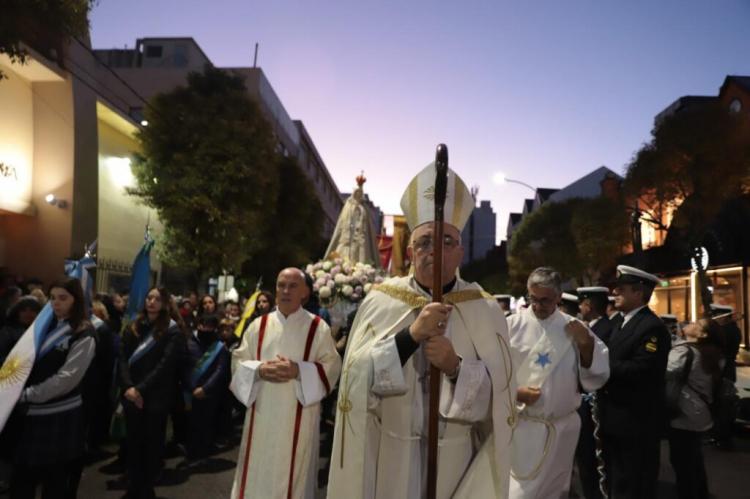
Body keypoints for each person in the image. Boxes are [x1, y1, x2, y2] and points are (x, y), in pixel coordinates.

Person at [328, 163, 515, 499]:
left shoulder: (483, 308)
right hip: (391, 456)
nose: (435, 249)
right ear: (411, 253)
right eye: (425, 241)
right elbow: (356, 379)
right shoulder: (381, 300)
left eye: (447, 241)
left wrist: (455, 367)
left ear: (460, 252)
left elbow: (500, 400)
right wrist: (410, 336)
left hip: (455, 462)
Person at [230, 268, 341, 499]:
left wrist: (299, 370)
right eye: (281, 285)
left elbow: (331, 367)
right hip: (262, 415)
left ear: (305, 293)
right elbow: (238, 362)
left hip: (299, 417)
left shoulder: (317, 328)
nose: (285, 291)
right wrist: (259, 369)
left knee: (295, 477)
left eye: (292, 286)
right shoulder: (258, 326)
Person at [508, 269, 609, 498]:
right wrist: (516, 393)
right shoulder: (511, 326)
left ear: (558, 297)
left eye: (545, 300)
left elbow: (597, 375)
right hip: (522, 428)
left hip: (561, 429)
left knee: (556, 491)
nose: (537, 306)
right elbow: (495, 372)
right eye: (533, 298)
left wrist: (585, 346)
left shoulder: (575, 328)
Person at [9, 277, 96, 499]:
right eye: (53, 298)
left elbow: (67, 378)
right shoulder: (44, 326)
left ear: (76, 301)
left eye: (63, 298)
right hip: (30, 415)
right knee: (21, 480)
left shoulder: (84, 333)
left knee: (54, 483)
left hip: (59, 414)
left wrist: (27, 394)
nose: (56, 303)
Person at [598, 265, 670, 499]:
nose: (615, 294)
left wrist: (603, 367)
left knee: (636, 480)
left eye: (621, 290)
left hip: (636, 419)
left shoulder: (652, 327)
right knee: (619, 478)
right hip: (616, 416)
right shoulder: (620, 322)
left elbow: (643, 369)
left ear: (638, 293)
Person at [118, 286, 182, 499]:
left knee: (151, 445)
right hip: (131, 395)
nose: (151, 302)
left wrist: (140, 389)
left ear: (164, 303)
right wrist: (128, 387)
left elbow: (165, 366)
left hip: (155, 396)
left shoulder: (172, 330)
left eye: (156, 299)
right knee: (133, 444)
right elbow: (122, 360)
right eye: (149, 298)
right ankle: (133, 487)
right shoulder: (134, 326)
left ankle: (146, 489)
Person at [666, 318, 724, 499]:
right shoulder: (712, 353)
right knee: (694, 458)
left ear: (702, 334)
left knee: (681, 460)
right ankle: (700, 492)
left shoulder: (684, 352)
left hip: (683, 412)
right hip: (702, 412)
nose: (689, 323)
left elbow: (664, 371)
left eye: (696, 324)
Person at [573, 286, 613, 499]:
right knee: (584, 458)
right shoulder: (592, 327)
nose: (580, 307)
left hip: (595, 405)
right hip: (585, 404)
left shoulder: (605, 328)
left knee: (592, 459)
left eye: (583, 303)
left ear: (589, 305)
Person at [181, 314, 229, 467]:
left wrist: (205, 388)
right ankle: (191, 453)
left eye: (210, 327)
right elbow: (183, 366)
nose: (205, 329)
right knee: (189, 424)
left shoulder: (219, 347)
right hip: (189, 392)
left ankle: (203, 454)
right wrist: (191, 386)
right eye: (203, 325)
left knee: (206, 424)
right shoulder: (189, 343)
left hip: (209, 393)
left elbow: (220, 370)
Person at [0, 296, 41, 364]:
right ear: (17, 312)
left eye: (32, 310)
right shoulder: (8, 331)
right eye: (24, 310)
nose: (28, 314)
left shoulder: (40, 330)